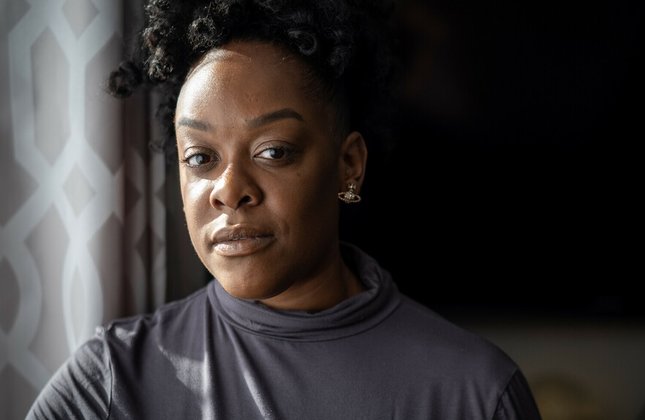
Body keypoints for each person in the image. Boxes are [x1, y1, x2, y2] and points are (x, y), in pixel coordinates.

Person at [27, 0, 541, 418]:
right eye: (200, 158)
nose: (229, 190)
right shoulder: (109, 384)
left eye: (273, 151)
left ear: (349, 165)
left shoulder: (474, 393)